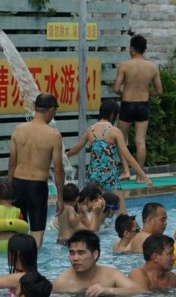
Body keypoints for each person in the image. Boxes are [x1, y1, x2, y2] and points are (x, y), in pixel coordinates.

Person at [66, 99, 152, 211]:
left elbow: (75, 150)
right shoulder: (115, 132)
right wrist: (144, 176)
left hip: (94, 176)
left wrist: (64, 155)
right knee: (121, 212)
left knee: (92, 212)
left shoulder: (90, 130)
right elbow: (128, 157)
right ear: (112, 115)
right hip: (110, 176)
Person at [8, 93, 65, 249]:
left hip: (18, 184)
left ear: (35, 106)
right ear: (52, 110)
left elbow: (12, 163)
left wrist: (9, 188)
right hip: (37, 187)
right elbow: (58, 170)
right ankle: (33, 261)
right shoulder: (54, 135)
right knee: (37, 234)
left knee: (19, 231)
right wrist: (60, 198)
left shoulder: (18, 130)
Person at [113, 34, 164, 181]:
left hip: (127, 104)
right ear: (144, 49)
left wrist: (122, 93)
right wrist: (146, 92)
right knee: (140, 141)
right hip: (143, 104)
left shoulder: (124, 65)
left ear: (132, 49)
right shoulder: (152, 67)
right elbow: (159, 91)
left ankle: (126, 171)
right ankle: (140, 175)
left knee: (121, 139)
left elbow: (116, 88)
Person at [52, 230, 143, 297]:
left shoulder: (112, 275)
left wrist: (108, 290)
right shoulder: (61, 283)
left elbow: (139, 291)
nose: (75, 258)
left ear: (95, 254)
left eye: (81, 253)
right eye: (72, 253)